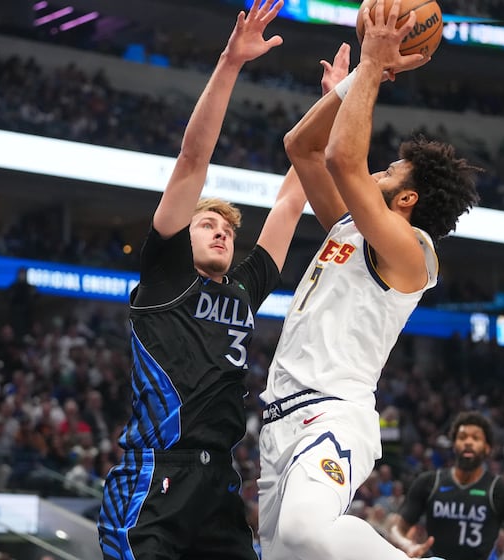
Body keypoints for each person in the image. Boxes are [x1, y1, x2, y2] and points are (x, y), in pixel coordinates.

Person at [255, 1, 481, 559]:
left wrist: (374, 68)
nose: (379, 169)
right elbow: (301, 147)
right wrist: (356, 79)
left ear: (406, 200)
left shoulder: (412, 252)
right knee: (291, 551)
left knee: (306, 532)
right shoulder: (349, 226)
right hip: (278, 421)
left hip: (333, 412)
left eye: (391, 171)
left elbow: (341, 158)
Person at [96, 1, 310, 558]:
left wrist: (346, 92)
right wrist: (231, 63)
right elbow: (193, 159)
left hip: (220, 489)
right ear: (181, 234)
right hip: (154, 483)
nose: (220, 233)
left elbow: (291, 199)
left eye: (227, 230)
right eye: (207, 223)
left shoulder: (243, 289)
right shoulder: (165, 276)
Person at [389, 412, 504, 559]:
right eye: (462, 437)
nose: (468, 442)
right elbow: (396, 529)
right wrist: (407, 545)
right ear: (454, 445)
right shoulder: (429, 482)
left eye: (476, 438)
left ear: (487, 448)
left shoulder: (500, 490)